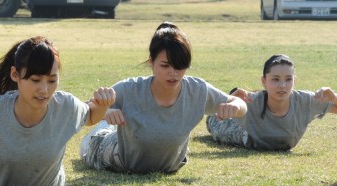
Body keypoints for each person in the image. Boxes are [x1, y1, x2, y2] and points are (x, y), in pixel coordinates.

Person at [0, 36, 116, 186]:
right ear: (15, 74)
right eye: (35, 80)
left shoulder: (66, 106)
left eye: (52, 80)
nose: (44, 90)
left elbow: (92, 116)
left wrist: (103, 104)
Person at [80, 22, 247, 174]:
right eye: (165, 65)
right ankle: (103, 130)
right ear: (152, 62)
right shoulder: (130, 88)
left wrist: (236, 106)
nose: (173, 73)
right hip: (112, 153)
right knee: (99, 133)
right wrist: (105, 110)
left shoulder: (197, 90)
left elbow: (238, 103)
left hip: (169, 166)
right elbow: (85, 112)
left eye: (180, 66)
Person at [206, 54, 337, 151]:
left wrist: (334, 97)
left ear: (294, 81)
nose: (282, 85)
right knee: (216, 125)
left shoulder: (306, 101)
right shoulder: (251, 101)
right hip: (241, 133)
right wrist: (230, 100)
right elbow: (216, 111)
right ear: (264, 81)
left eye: (288, 79)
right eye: (275, 79)